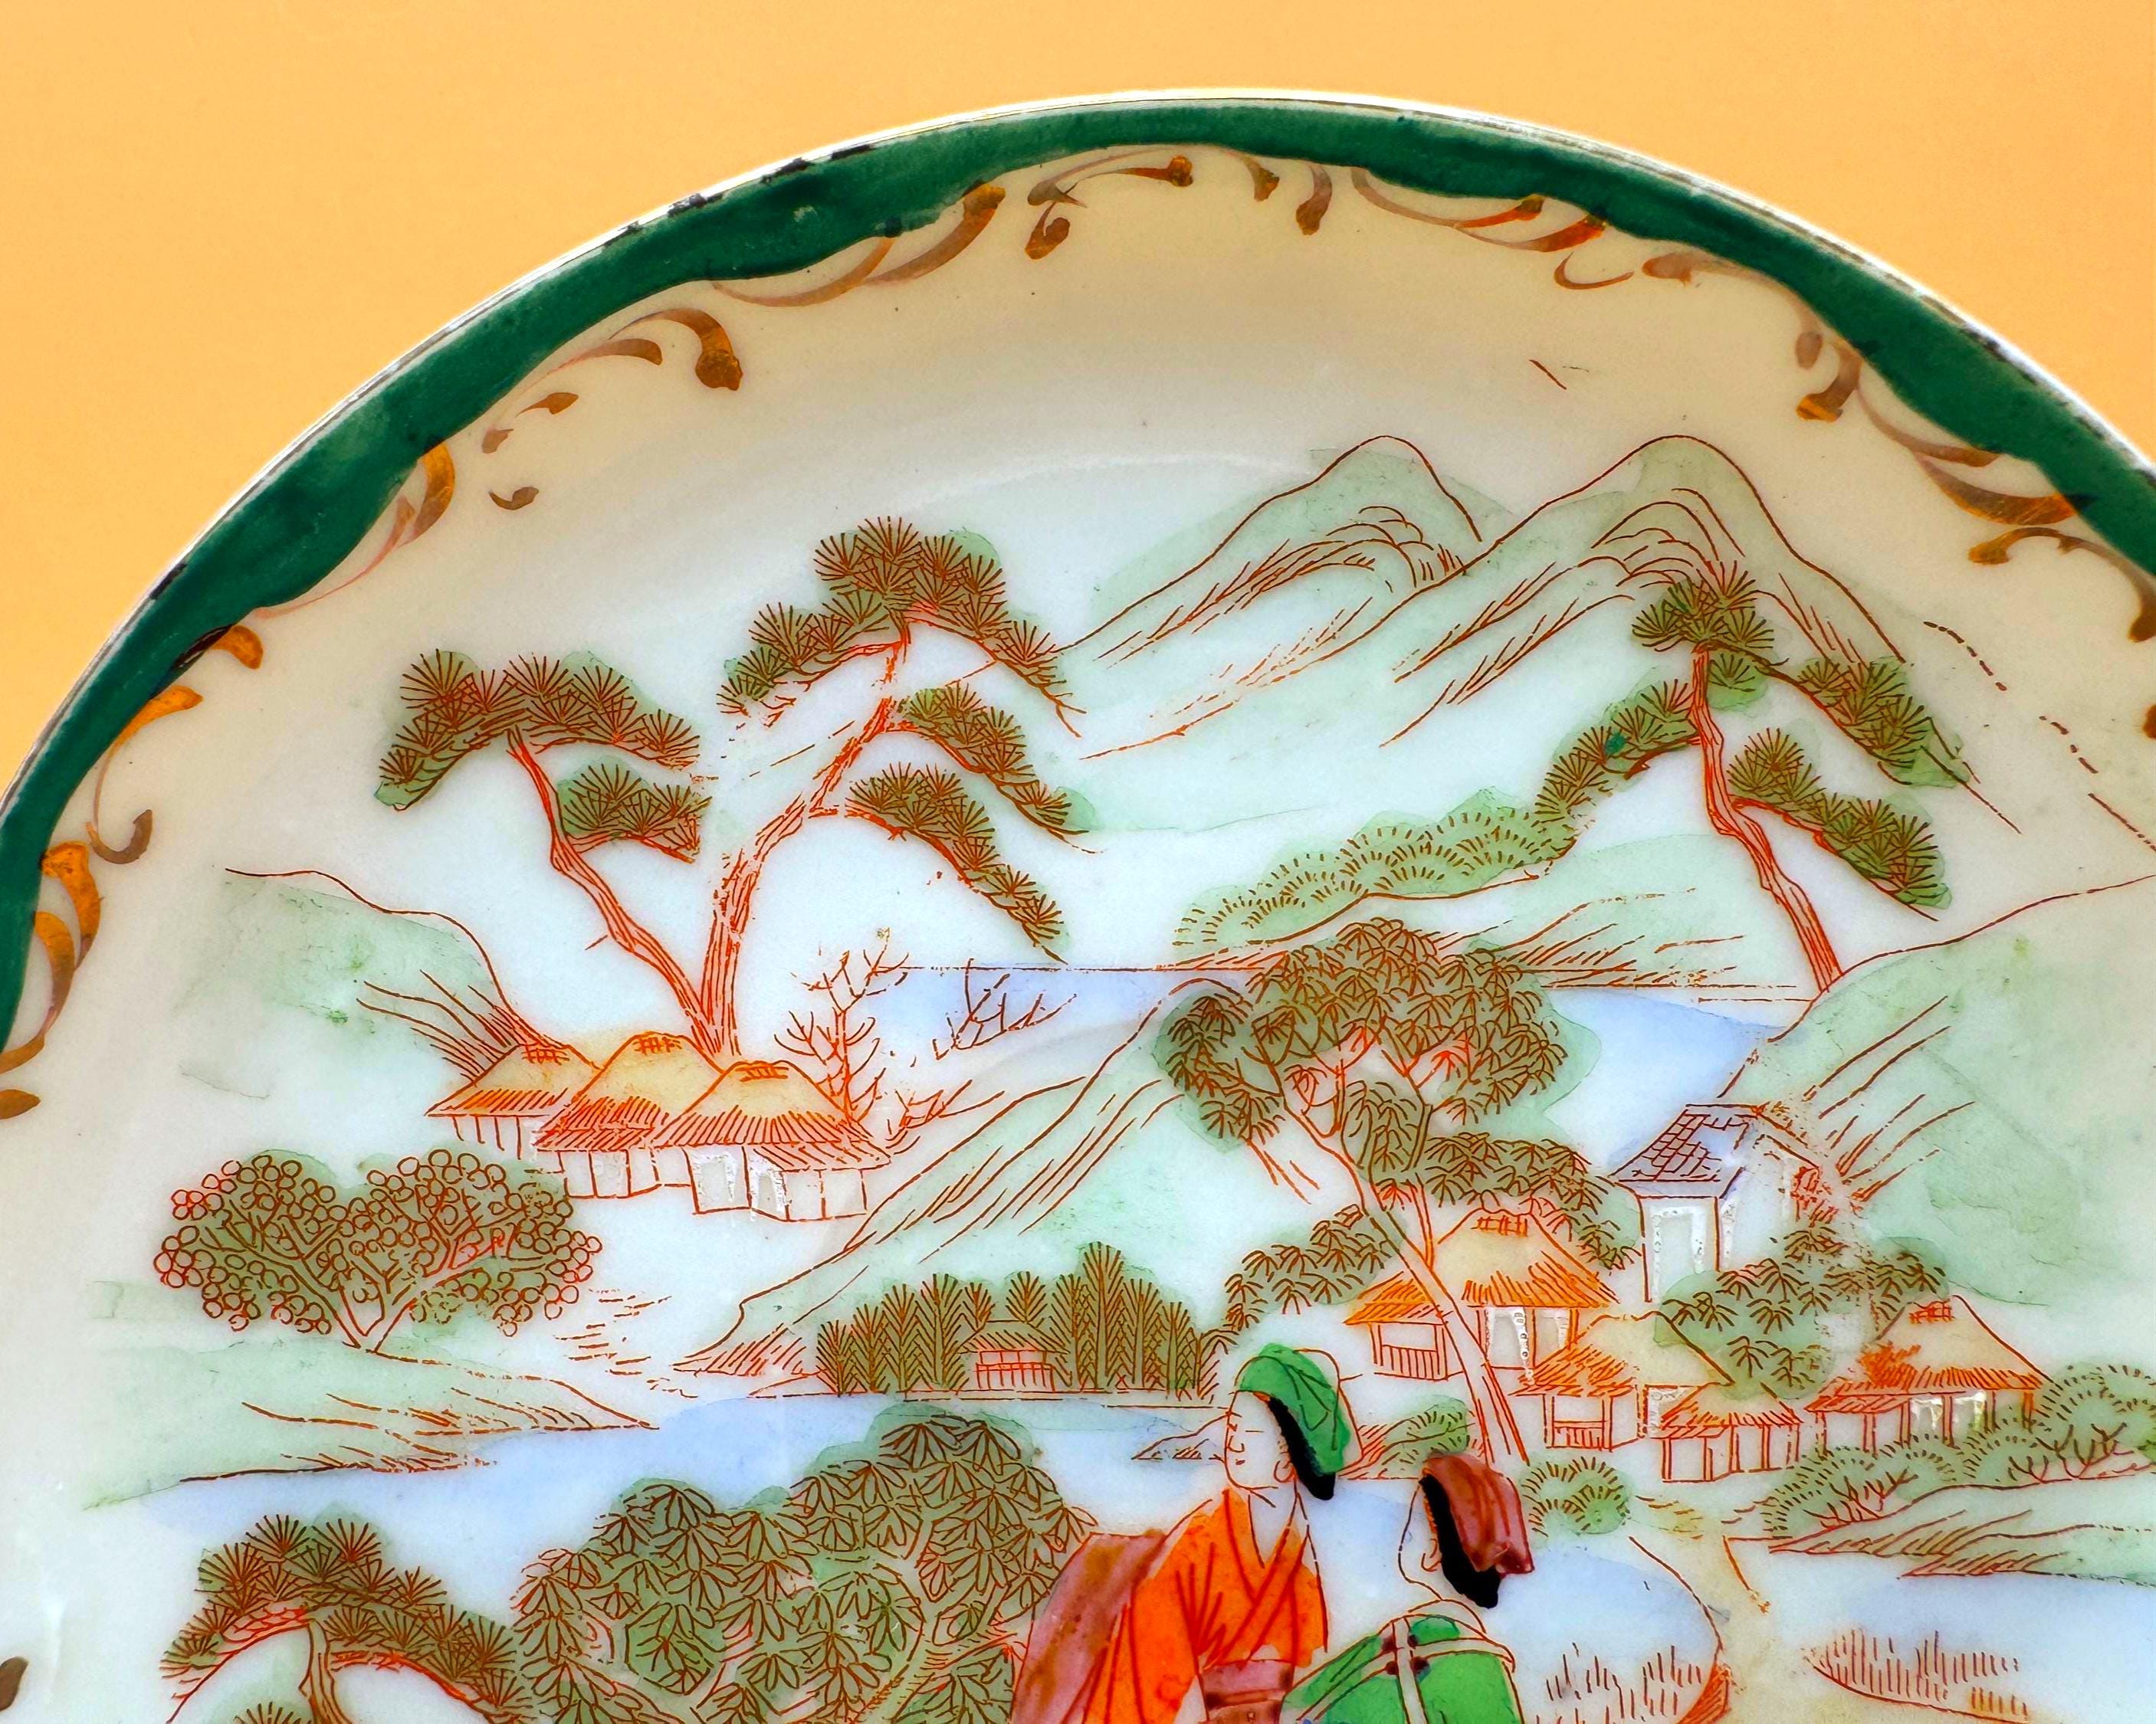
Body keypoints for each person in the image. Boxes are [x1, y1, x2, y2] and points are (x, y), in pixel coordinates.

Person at [1013, 1345, 1355, 1724]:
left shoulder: (1300, 1562)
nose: (1234, 1442)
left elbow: (1313, 1686)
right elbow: (1140, 1688)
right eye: (1232, 1426)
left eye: (1251, 1431)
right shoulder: (1197, 1546)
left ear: (1289, 1453)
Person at [1283, 1452, 1532, 1724]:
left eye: (1410, 1524)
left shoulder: (1368, 1655)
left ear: (1432, 1551)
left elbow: (1293, 1709)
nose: (1399, 1533)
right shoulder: (1476, 1660)